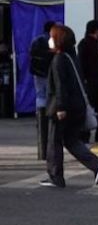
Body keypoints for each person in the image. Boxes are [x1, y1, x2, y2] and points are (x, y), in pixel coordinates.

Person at [40, 25, 98, 188]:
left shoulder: (58, 60)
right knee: (71, 140)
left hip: (62, 107)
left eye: (51, 36)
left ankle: (56, 176)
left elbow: (60, 86)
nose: (49, 40)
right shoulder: (72, 57)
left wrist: (60, 108)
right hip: (78, 106)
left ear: (58, 39)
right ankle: (96, 164)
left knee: (54, 142)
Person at [77, 20, 98, 142]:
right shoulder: (97, 45)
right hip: (96, 81)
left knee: (88, 108)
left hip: (89, 81)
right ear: (96, 30)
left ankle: (85, 135)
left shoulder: (83, 44)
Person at [30, 21, 56, 157]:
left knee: (40, 96)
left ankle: (40, 117)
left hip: (37, 74)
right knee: (49, 96)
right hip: (49, 73)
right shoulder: (51, 41)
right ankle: (46, 118)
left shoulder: (36, 40)